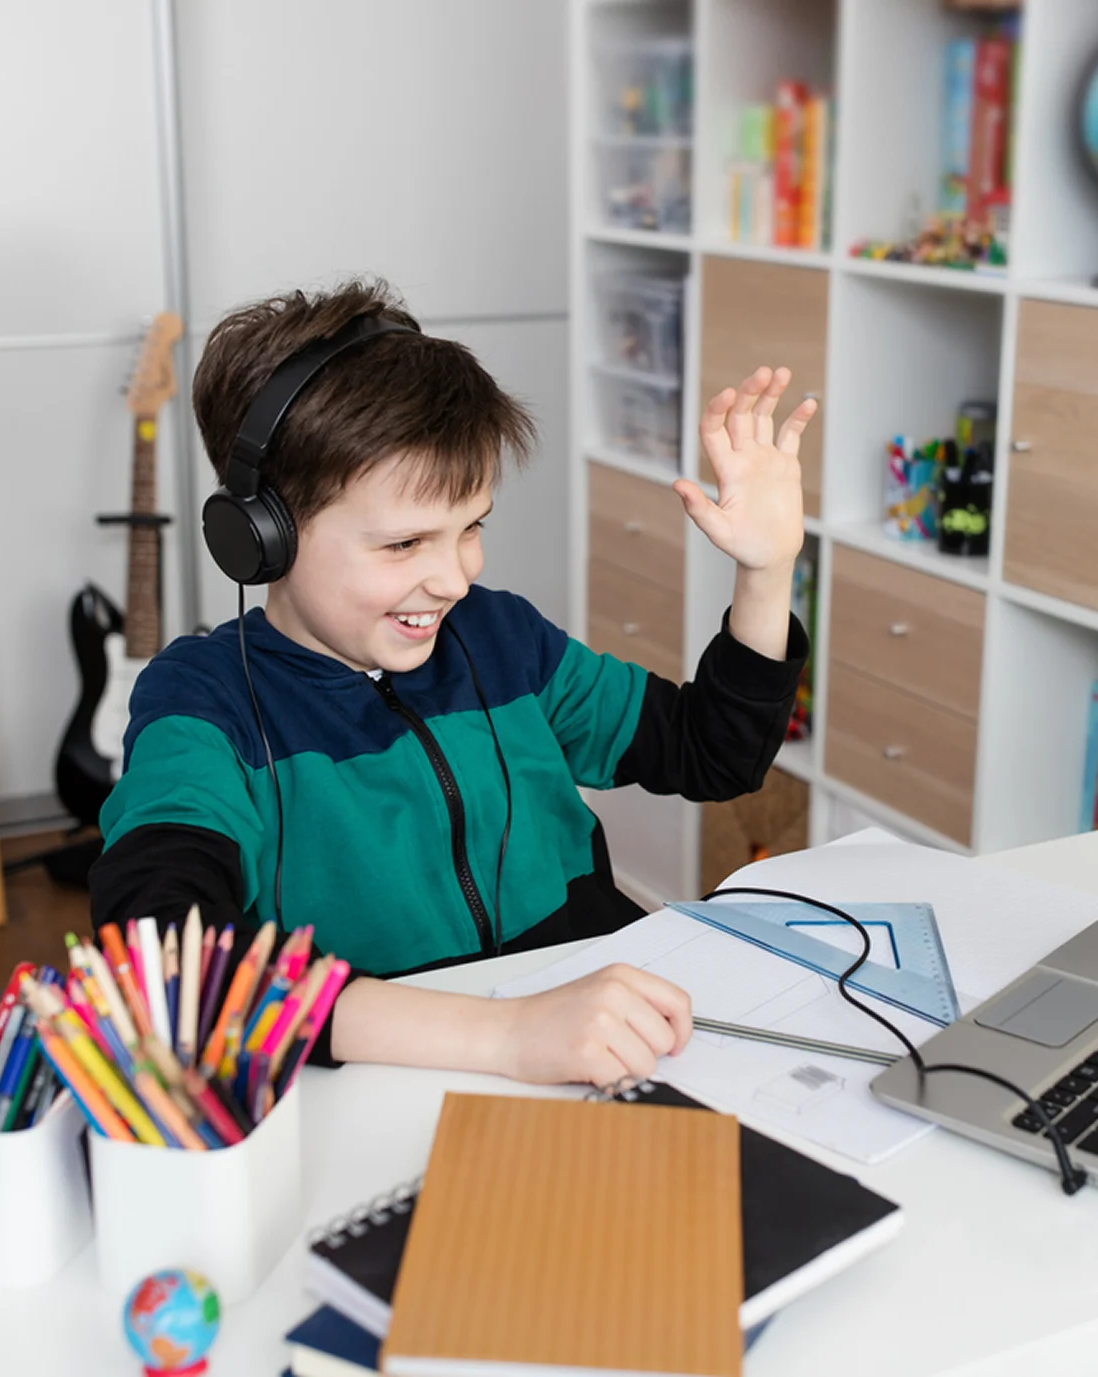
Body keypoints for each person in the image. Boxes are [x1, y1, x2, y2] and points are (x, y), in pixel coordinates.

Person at [89, 277, 816, 1086]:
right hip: (391, 1071)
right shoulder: (202, 703)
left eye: (471, 528)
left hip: (591, 1047)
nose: (454, 579)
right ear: (262, 539)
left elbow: (714, 751)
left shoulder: (501, 640)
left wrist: (767, 569)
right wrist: (509, 1036)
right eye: (404, 545)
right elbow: (164, 968)